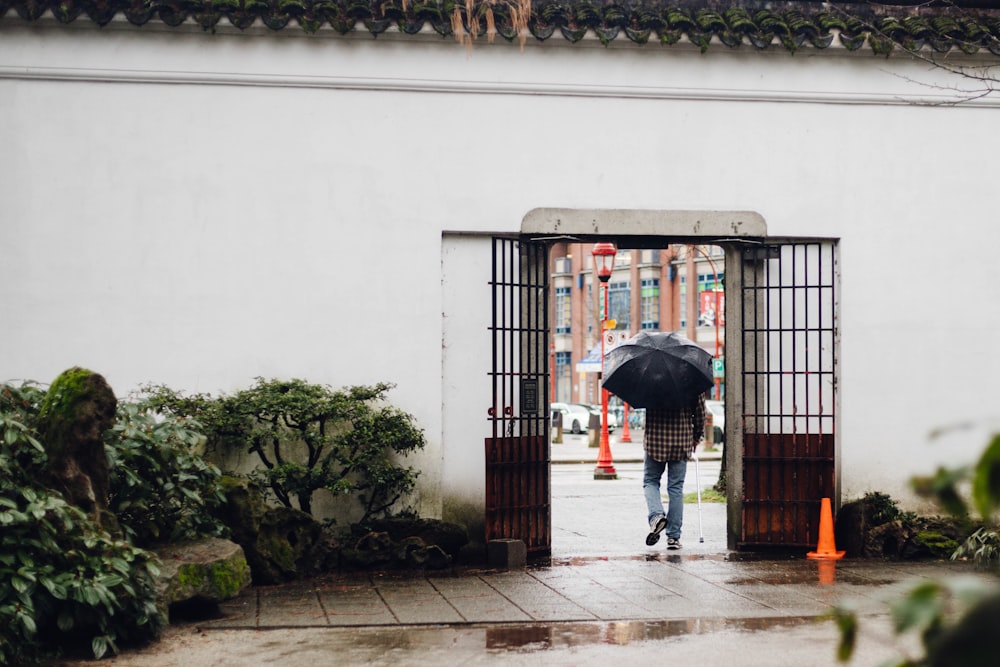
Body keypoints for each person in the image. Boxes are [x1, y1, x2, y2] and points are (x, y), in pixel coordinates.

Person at [643, 392, 707, 550]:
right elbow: (700, 412)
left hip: (655, 440)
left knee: (650, 481)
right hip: (681, 439)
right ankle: (673, 537)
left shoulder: (650, 377)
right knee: (676, 487)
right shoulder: (691, 379)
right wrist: (697, 436)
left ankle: (657, 516)